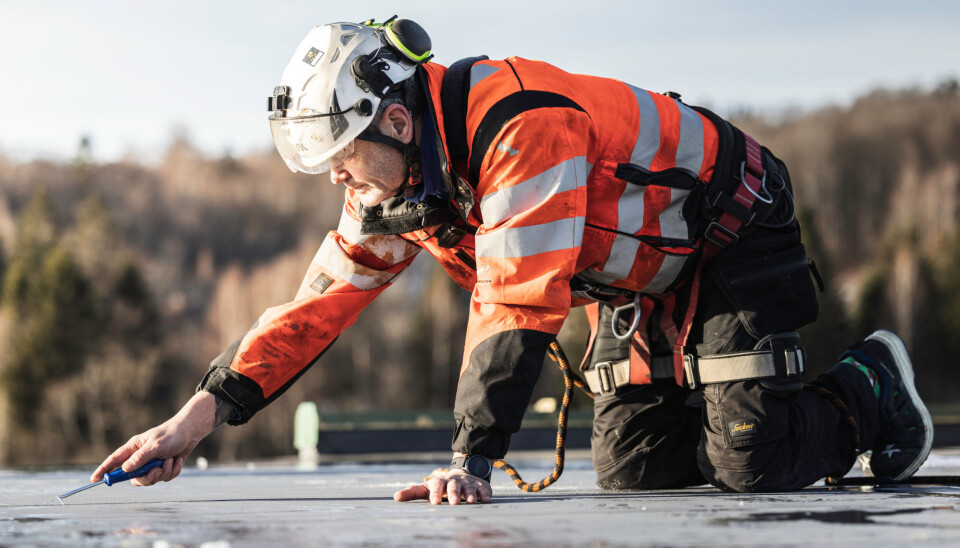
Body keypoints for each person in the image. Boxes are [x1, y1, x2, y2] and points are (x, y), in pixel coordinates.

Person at [93, 18, 932, 504]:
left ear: (394, 122)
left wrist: (471, 459)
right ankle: (730, 409)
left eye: (342, 160)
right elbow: (315, 309)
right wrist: (191, 421)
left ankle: (869, 385)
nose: (339, 182)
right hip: (638, 276)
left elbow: (518, 297)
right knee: (635, 472)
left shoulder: (520, 127)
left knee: (748, 460)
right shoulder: (398, 183)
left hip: (731, 232)